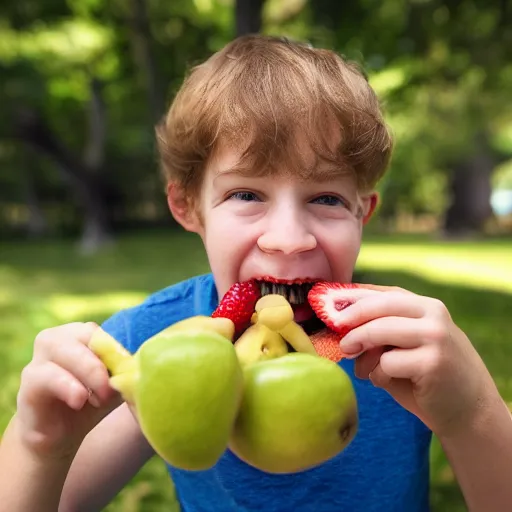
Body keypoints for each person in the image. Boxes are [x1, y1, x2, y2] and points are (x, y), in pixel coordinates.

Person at [0, 34, 511, 512]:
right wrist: (39, 444)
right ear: (188, 207)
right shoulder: (151, 346)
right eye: (246, 194)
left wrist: (472, 413)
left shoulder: (405, 344)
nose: (289, 238)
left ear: (363, 213)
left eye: (326, 198)